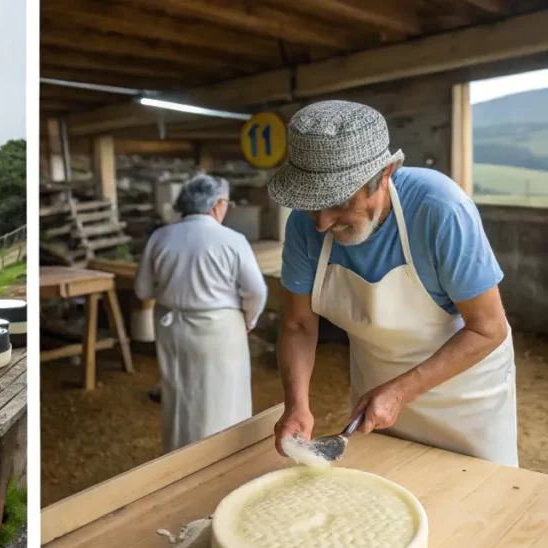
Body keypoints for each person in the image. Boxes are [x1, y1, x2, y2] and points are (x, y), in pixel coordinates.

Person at [269, 100, 516, 466]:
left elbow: (488, 328)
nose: (321, 223)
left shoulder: (440, 208)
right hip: (374, 397)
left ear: (384, 174)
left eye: (338, 202)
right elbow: (298, 324)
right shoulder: (305, 227)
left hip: (466, 401)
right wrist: (296, 405)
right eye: (310, 204)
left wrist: (402, 391)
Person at [134, 173, 268, 453]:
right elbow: (256, 290)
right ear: (217, 204)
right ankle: (225, 454)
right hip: (220, 330)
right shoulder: (232, 239)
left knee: (180, 393)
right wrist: (249, 320)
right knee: (224, 395)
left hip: (173, 328)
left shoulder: (160, 237)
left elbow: (143, 290)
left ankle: (180, 455)